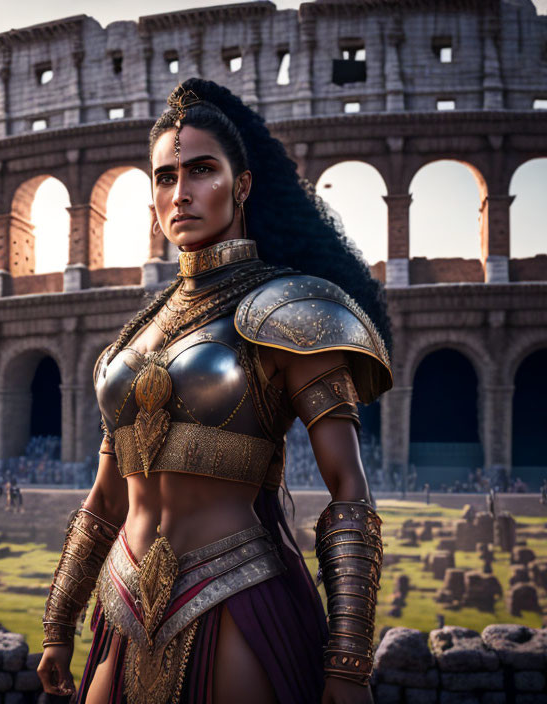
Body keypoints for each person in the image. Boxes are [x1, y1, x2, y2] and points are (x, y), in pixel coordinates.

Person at [37, 78, 393, 704]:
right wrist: (58, 622)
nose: (181, 193)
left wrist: (348, 657)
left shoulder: (292, 307)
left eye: (201, 171)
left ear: (242, 185)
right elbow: (104, 497)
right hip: (122, 600)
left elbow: (349, 489)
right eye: (165, 176)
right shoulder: (131, 338)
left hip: (237, 591)